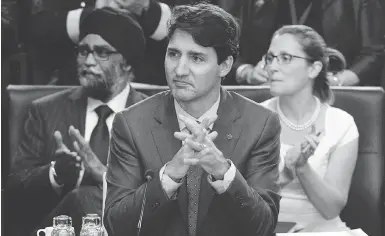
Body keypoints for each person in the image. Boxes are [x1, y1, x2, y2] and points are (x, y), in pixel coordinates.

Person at [104, 3, 281, 236]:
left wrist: (223, 172)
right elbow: (117, 226)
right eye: (174, 54)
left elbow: (264, 226)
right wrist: (170, 175)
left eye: (196, 58)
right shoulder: (130, 123)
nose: (179, 70)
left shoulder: (260, 123)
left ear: (224, 66)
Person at [5, 7, 148, 236]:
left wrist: (104, 176)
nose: (88, 61)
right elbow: (14, 188)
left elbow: (162, 194)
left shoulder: (152, 115)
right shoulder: (45, 111)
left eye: (102, 52)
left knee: (87, 199)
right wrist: (55, 173)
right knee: (82, 200)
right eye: (83, 51)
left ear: (127, 63)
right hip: (57, 230)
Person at [261, 25, 359, 232]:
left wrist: (302, 168)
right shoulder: (252, 117)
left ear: (313, 69)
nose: (272, 67)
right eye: (270, 58)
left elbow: (331, 209)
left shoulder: (342, 123)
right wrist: (286, 173)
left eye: (285, 58)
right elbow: (244, 204)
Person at [225, 0, 385, 87]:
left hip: (335, 94)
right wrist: (247, 72)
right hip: (270, 92)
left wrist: (340, 81)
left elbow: (374, 52)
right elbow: (223, 47)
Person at [24, 0, 171, 85]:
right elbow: (35, 27)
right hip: (78, 85)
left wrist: (147, 9)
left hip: (148, 84)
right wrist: (94, 18)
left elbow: (188, 20)